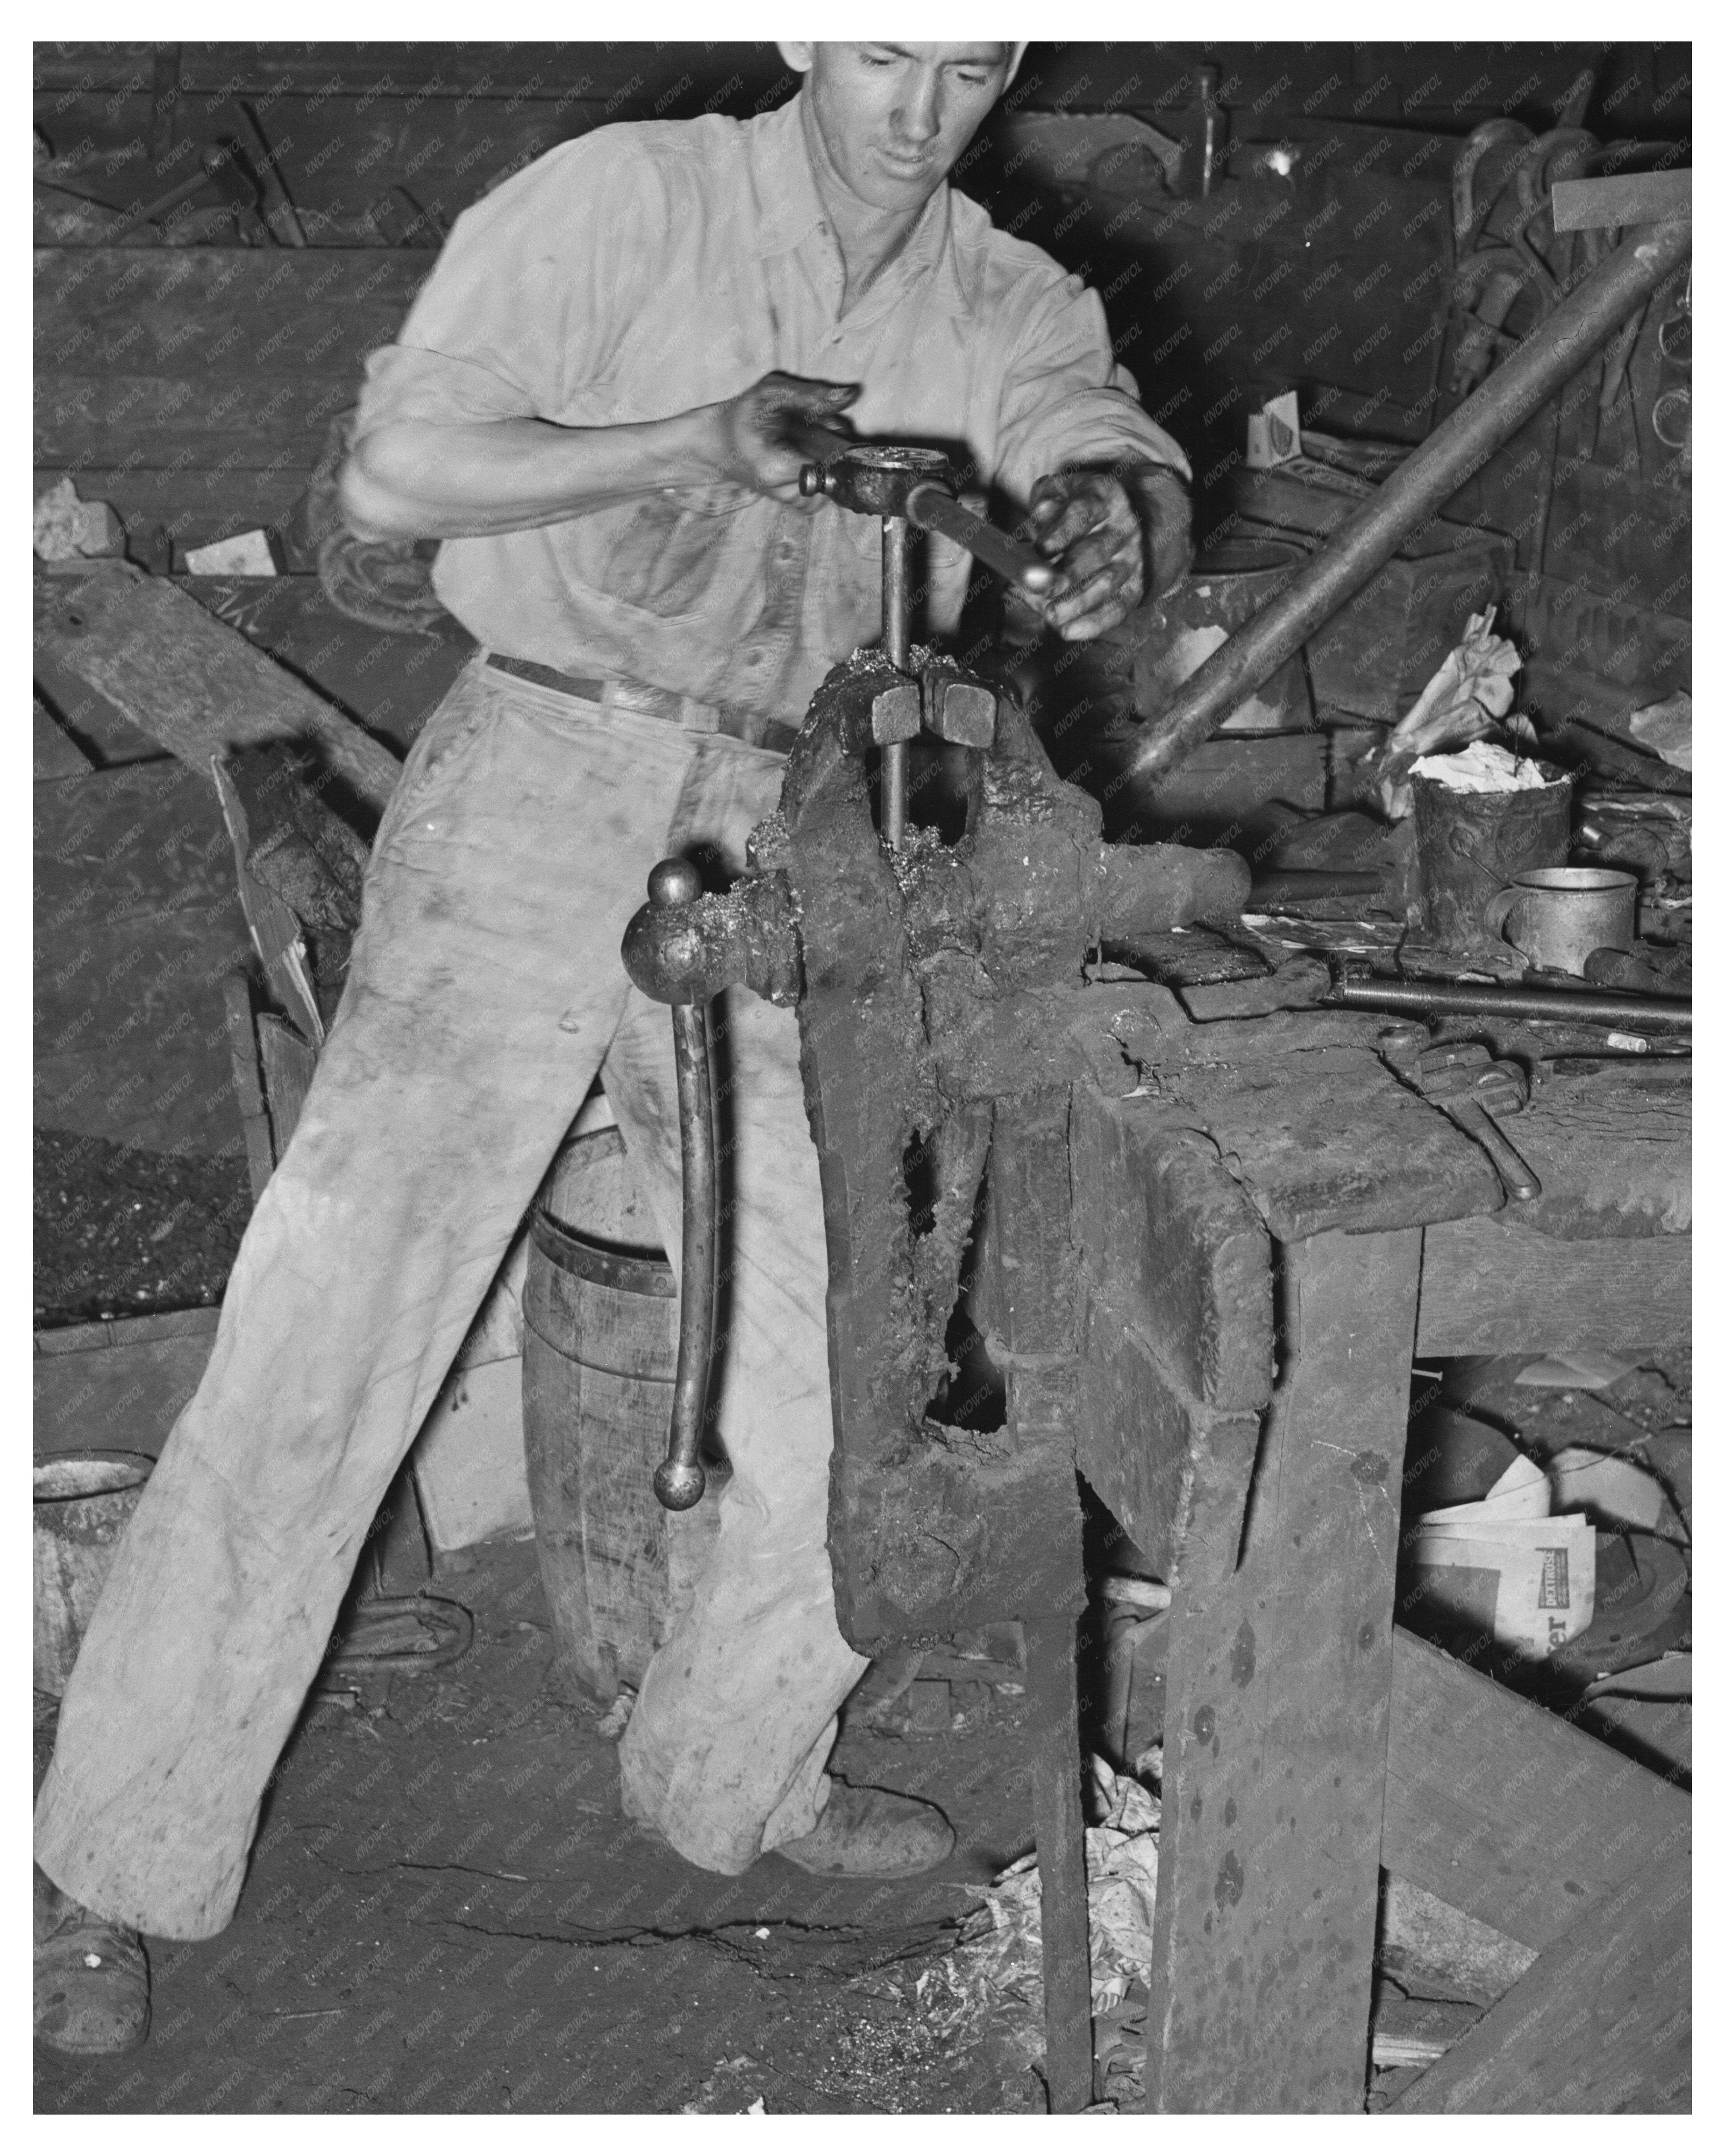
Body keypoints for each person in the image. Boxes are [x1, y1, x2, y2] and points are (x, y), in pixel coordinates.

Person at [34, 39, 1193, 2057]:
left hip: (799, 823)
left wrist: (1114, 509)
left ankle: (727, 1768)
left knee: (847, 1371)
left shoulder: (995, 289)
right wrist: (691, 442)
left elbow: (1090, 428)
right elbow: (399, 480)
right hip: (539, 781)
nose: (921, 101)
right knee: (325, 1339)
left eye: (976, 54)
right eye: (884, 48)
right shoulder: (613, 206)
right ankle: (98, 1868)